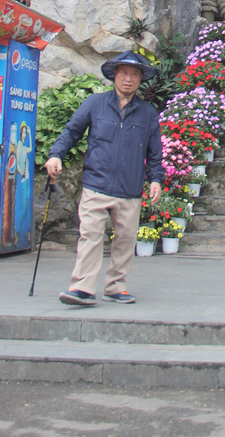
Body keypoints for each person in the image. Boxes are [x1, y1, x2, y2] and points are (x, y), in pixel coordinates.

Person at [45, 51, 163, 307]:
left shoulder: (148, 113)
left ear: (141, 79)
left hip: (129, 188)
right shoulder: (94, 103)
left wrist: (156, 180)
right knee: (90, 236)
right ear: (114, 75)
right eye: (124, 73)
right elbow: (71, 132)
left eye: (134, 74)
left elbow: (155, 152)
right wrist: (56, 155)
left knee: (125, 240)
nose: (128, 79)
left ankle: (115, 286)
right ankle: (82, 288)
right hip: (96, 185)